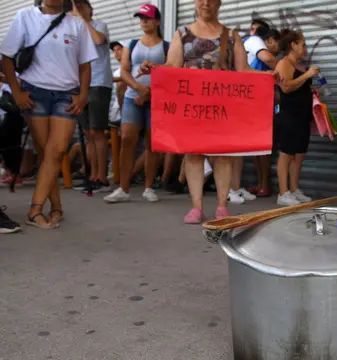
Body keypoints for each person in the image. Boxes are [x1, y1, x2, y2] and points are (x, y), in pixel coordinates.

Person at [138, 0, 278, 223]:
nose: (206, 3)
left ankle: (222, 206)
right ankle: (196, 206)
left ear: (219, 4)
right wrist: (154, 69)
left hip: (223, 107)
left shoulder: (231, 36)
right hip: (191, 107)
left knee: (223, 154)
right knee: (193, 153)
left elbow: (243, 70)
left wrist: (267, 76)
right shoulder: (182, 34)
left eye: (211, 0)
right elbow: (173, 66)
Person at [1, 0, 97, 229]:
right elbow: (6, 58)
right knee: (47, 154)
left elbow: (85, 65)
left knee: (57, 151)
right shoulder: (25, 16)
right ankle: (55, 207)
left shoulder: (77, 24)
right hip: (35, 93)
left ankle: (34, 210)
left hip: (67, 95)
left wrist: (83, 96)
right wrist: (17, 92)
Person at [103, 3, 168, 204]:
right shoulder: (131, 44)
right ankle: (123, 187)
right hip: (133, 96)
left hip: (156, 99)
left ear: (157, 21)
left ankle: (148, 187)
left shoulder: (166, 46)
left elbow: (169, 73)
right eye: (141, 18)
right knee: (127, 140)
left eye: (147, 18)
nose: (144, 21)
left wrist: (149, 93)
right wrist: (139, 89)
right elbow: (124, 71)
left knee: (152, 144)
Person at [71, 0, 113, 193]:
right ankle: (91, 175)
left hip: (98, 83)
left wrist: (82, 19)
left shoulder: (99, 25)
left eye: (82, 5)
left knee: (98, 132)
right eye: (75, 6)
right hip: (80, 86)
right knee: (87, 134)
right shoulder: (73, 30)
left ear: (90, 8)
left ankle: (102, 178)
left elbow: (98, 40)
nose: (78, 9)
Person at [274, 29, 316, 206]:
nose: (305, 48)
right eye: (303, 44)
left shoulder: (298, 65)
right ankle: (283, 193)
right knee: (286, 154)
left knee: (298, 155)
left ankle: (293, 189)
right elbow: (286, 87)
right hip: (289, 116)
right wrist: (307, 76)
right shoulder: (284, 63)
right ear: (293, 45)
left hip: (302, 116)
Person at [243, 25, 282, 199]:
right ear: (270, 40)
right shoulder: (256, 45)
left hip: (257, 104)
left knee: (260, 147)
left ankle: (263, 185)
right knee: (259, 147)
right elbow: (268, 61)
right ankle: (262, 184)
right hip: (257, 104)